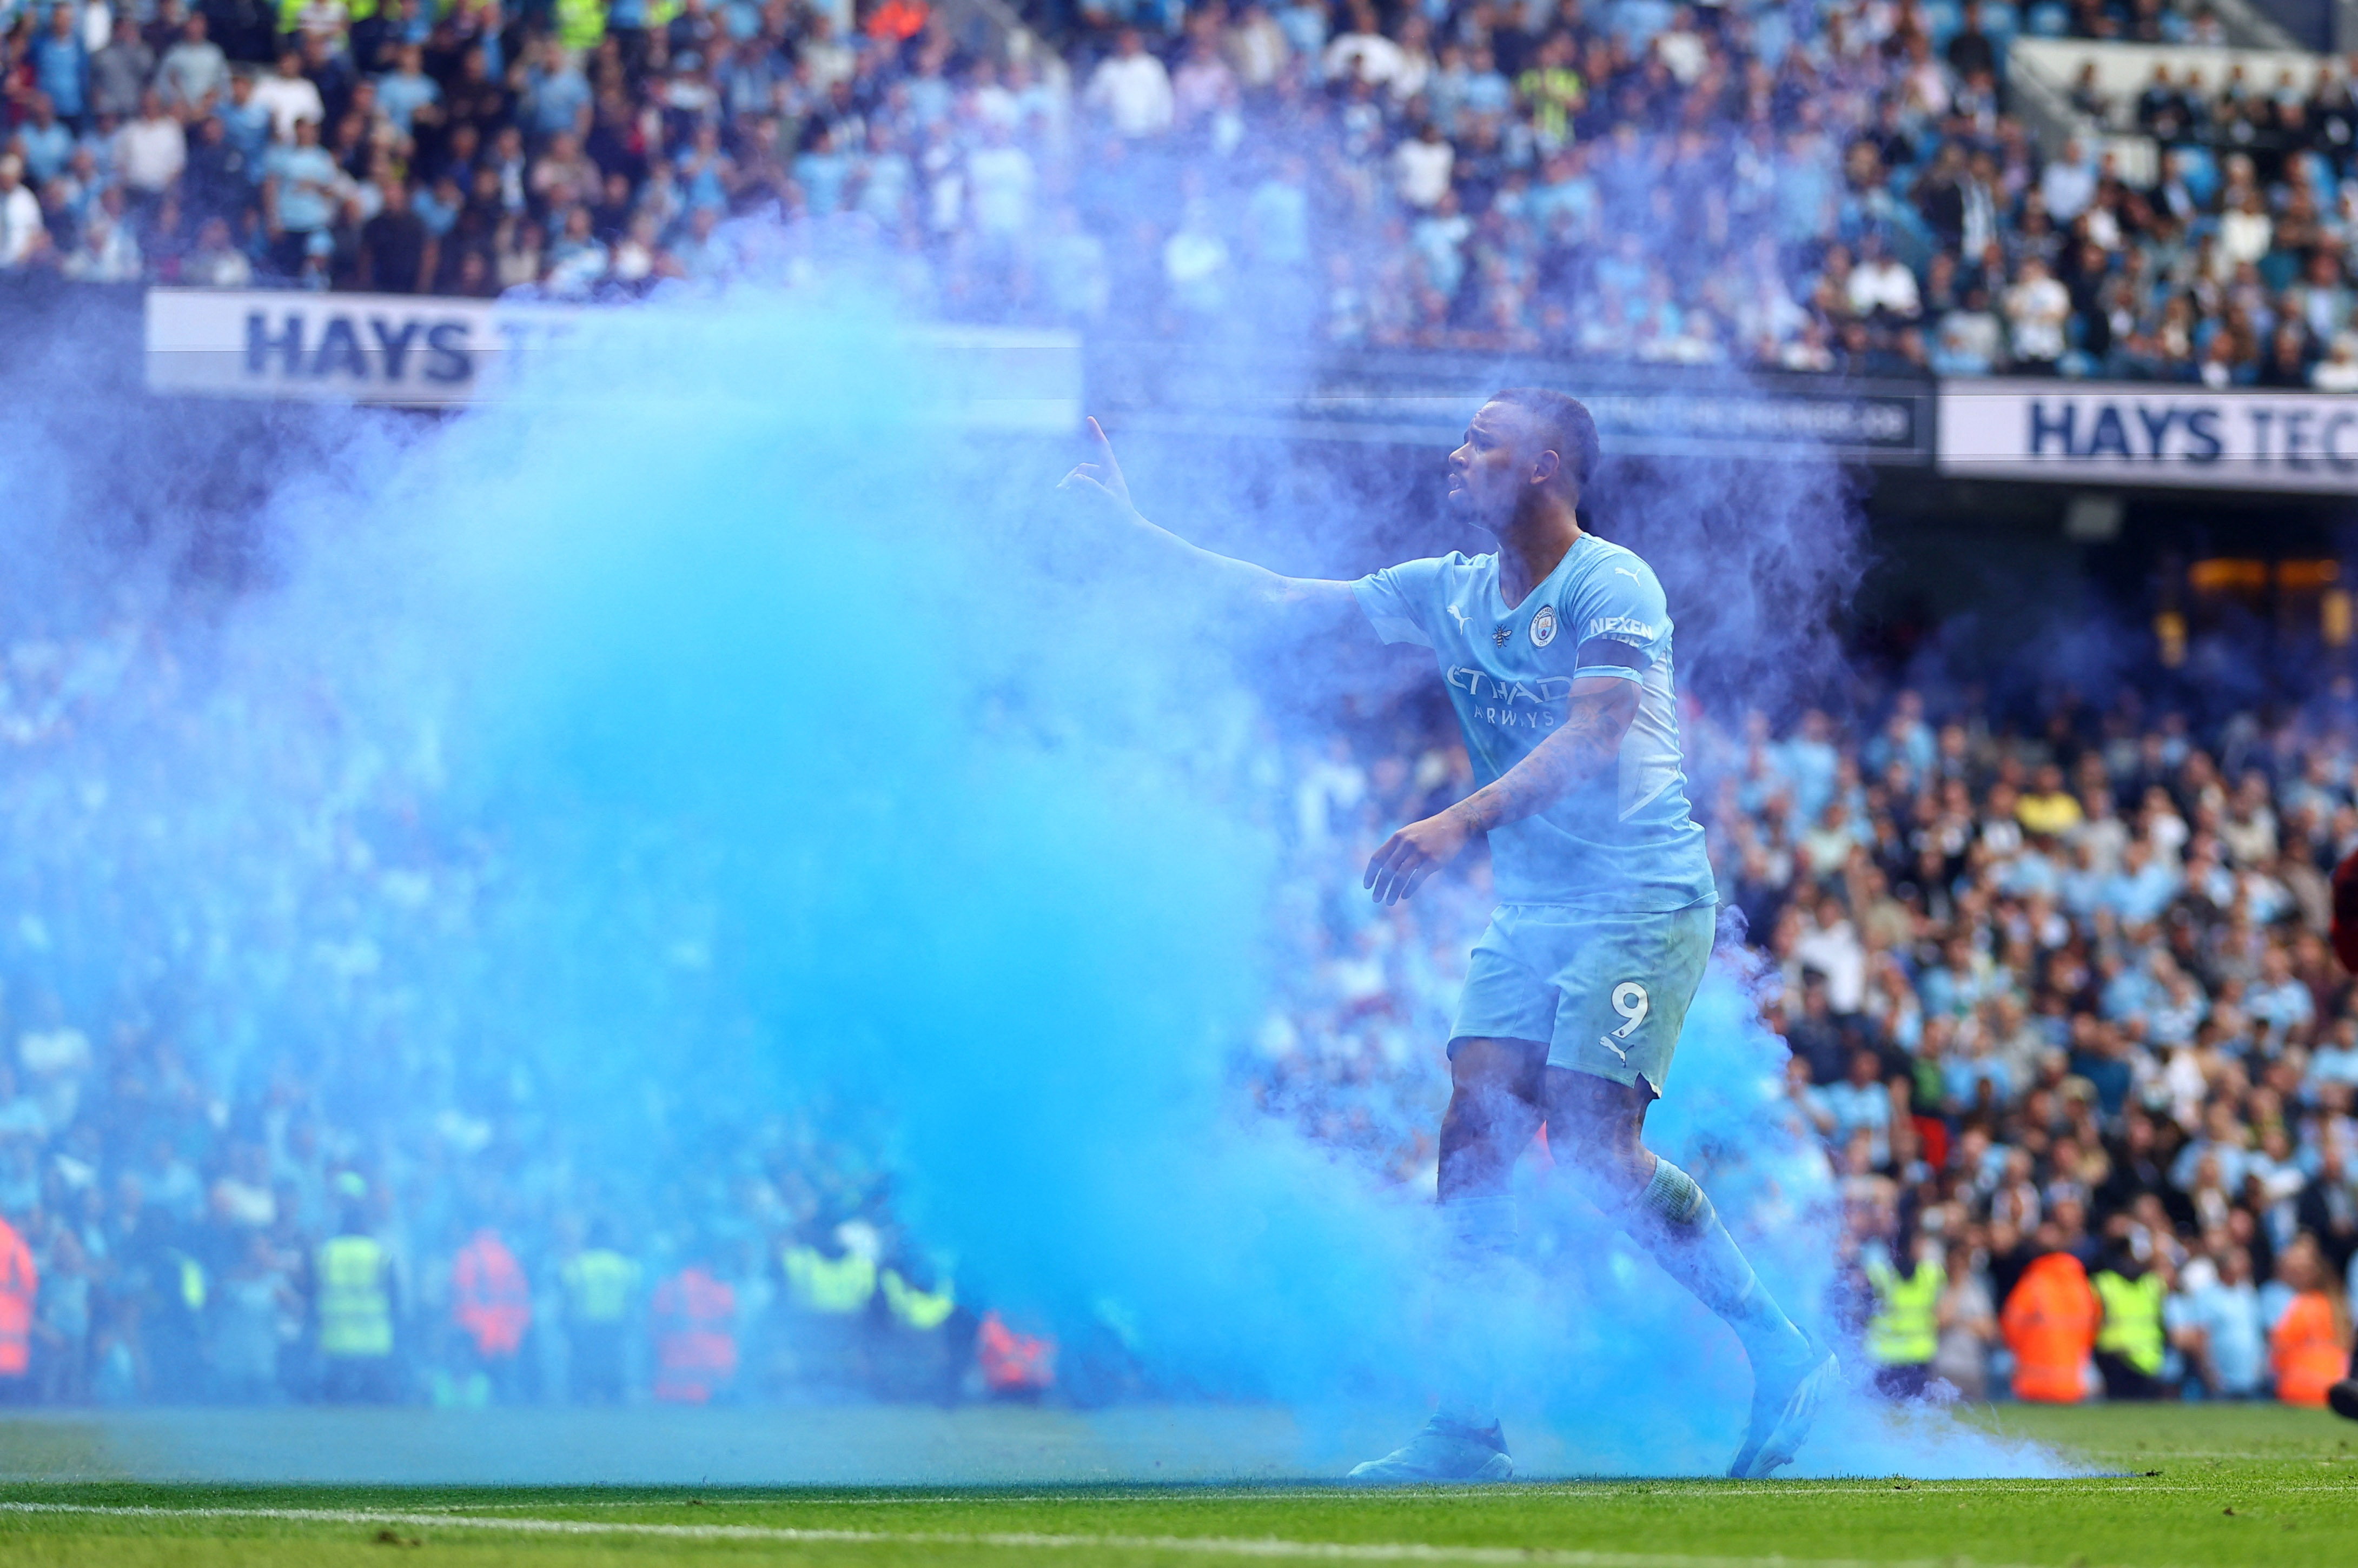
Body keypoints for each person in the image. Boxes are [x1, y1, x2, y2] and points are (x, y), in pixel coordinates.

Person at [1058, 391, 1834, 1481]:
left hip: (1638, 897)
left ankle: (1777, 1347)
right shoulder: (1449, 590)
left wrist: (1455, 821)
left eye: (1482, 439)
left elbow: (1595, 731)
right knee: (1470, 1141)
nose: (1455, 452)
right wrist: (1138, 540)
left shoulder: (1611, 583)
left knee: (1591, 1152)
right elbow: (1284, 599)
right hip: (1532, 912)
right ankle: (1464, 1429)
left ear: (1544, 466)